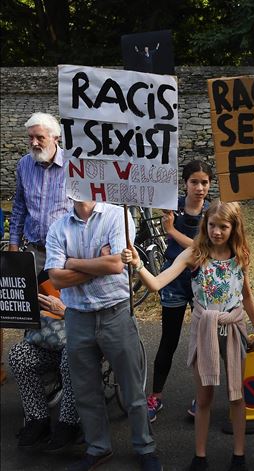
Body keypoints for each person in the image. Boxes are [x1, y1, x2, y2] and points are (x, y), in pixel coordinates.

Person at [124, 200, 254, 471]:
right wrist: (139, 265)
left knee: (236, 396)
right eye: (212, 225)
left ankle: (239, 456)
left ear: (234, 228)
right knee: (205, 397)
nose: (217, 232)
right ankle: (200, 457)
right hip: (205, 329)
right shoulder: (193, 254)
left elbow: (245, 294)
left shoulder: (241, 254)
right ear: (205, 225)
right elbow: (157, 284)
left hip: (234, 327)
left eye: (224, 226)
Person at [45, 199, 160, 471]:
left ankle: (145, 447)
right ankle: (98, 448)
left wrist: (73, 262)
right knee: (86, 390)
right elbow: (57, 278)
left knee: (132, 388)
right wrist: (100, 261)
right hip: (77, 316)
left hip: (115, 313)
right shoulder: (58, 228)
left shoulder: (116, 216)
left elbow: (116, 266)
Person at [146, 160, 213, 422]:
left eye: (204, 182)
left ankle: (201, 398)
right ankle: (155, 396)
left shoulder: (211, 213)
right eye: (194, 182)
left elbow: (202, 248)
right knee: (168, 340)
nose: (200, 187)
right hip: (173, 281)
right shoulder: (172, 207)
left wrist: (171, 230)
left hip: (201, 281)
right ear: (184, 183)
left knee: (201, 343)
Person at [9, 279, 81, 452]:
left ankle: (68, 422)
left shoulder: (92, 264)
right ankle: (37, 418)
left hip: (81, 335)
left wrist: (65, 310)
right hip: (50, 335)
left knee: (69, 357)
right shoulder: (44, 267)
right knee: (19, 356)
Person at [8, 112, 73, 271]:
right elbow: (19, 207)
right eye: (30, 137)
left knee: (64, 296)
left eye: (40, 137)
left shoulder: (72, 165)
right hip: (35, 252)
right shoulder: (24, 164)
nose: (34, 143)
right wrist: (13, 244)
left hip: (68, 253)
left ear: (55, 138)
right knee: (32, 295)